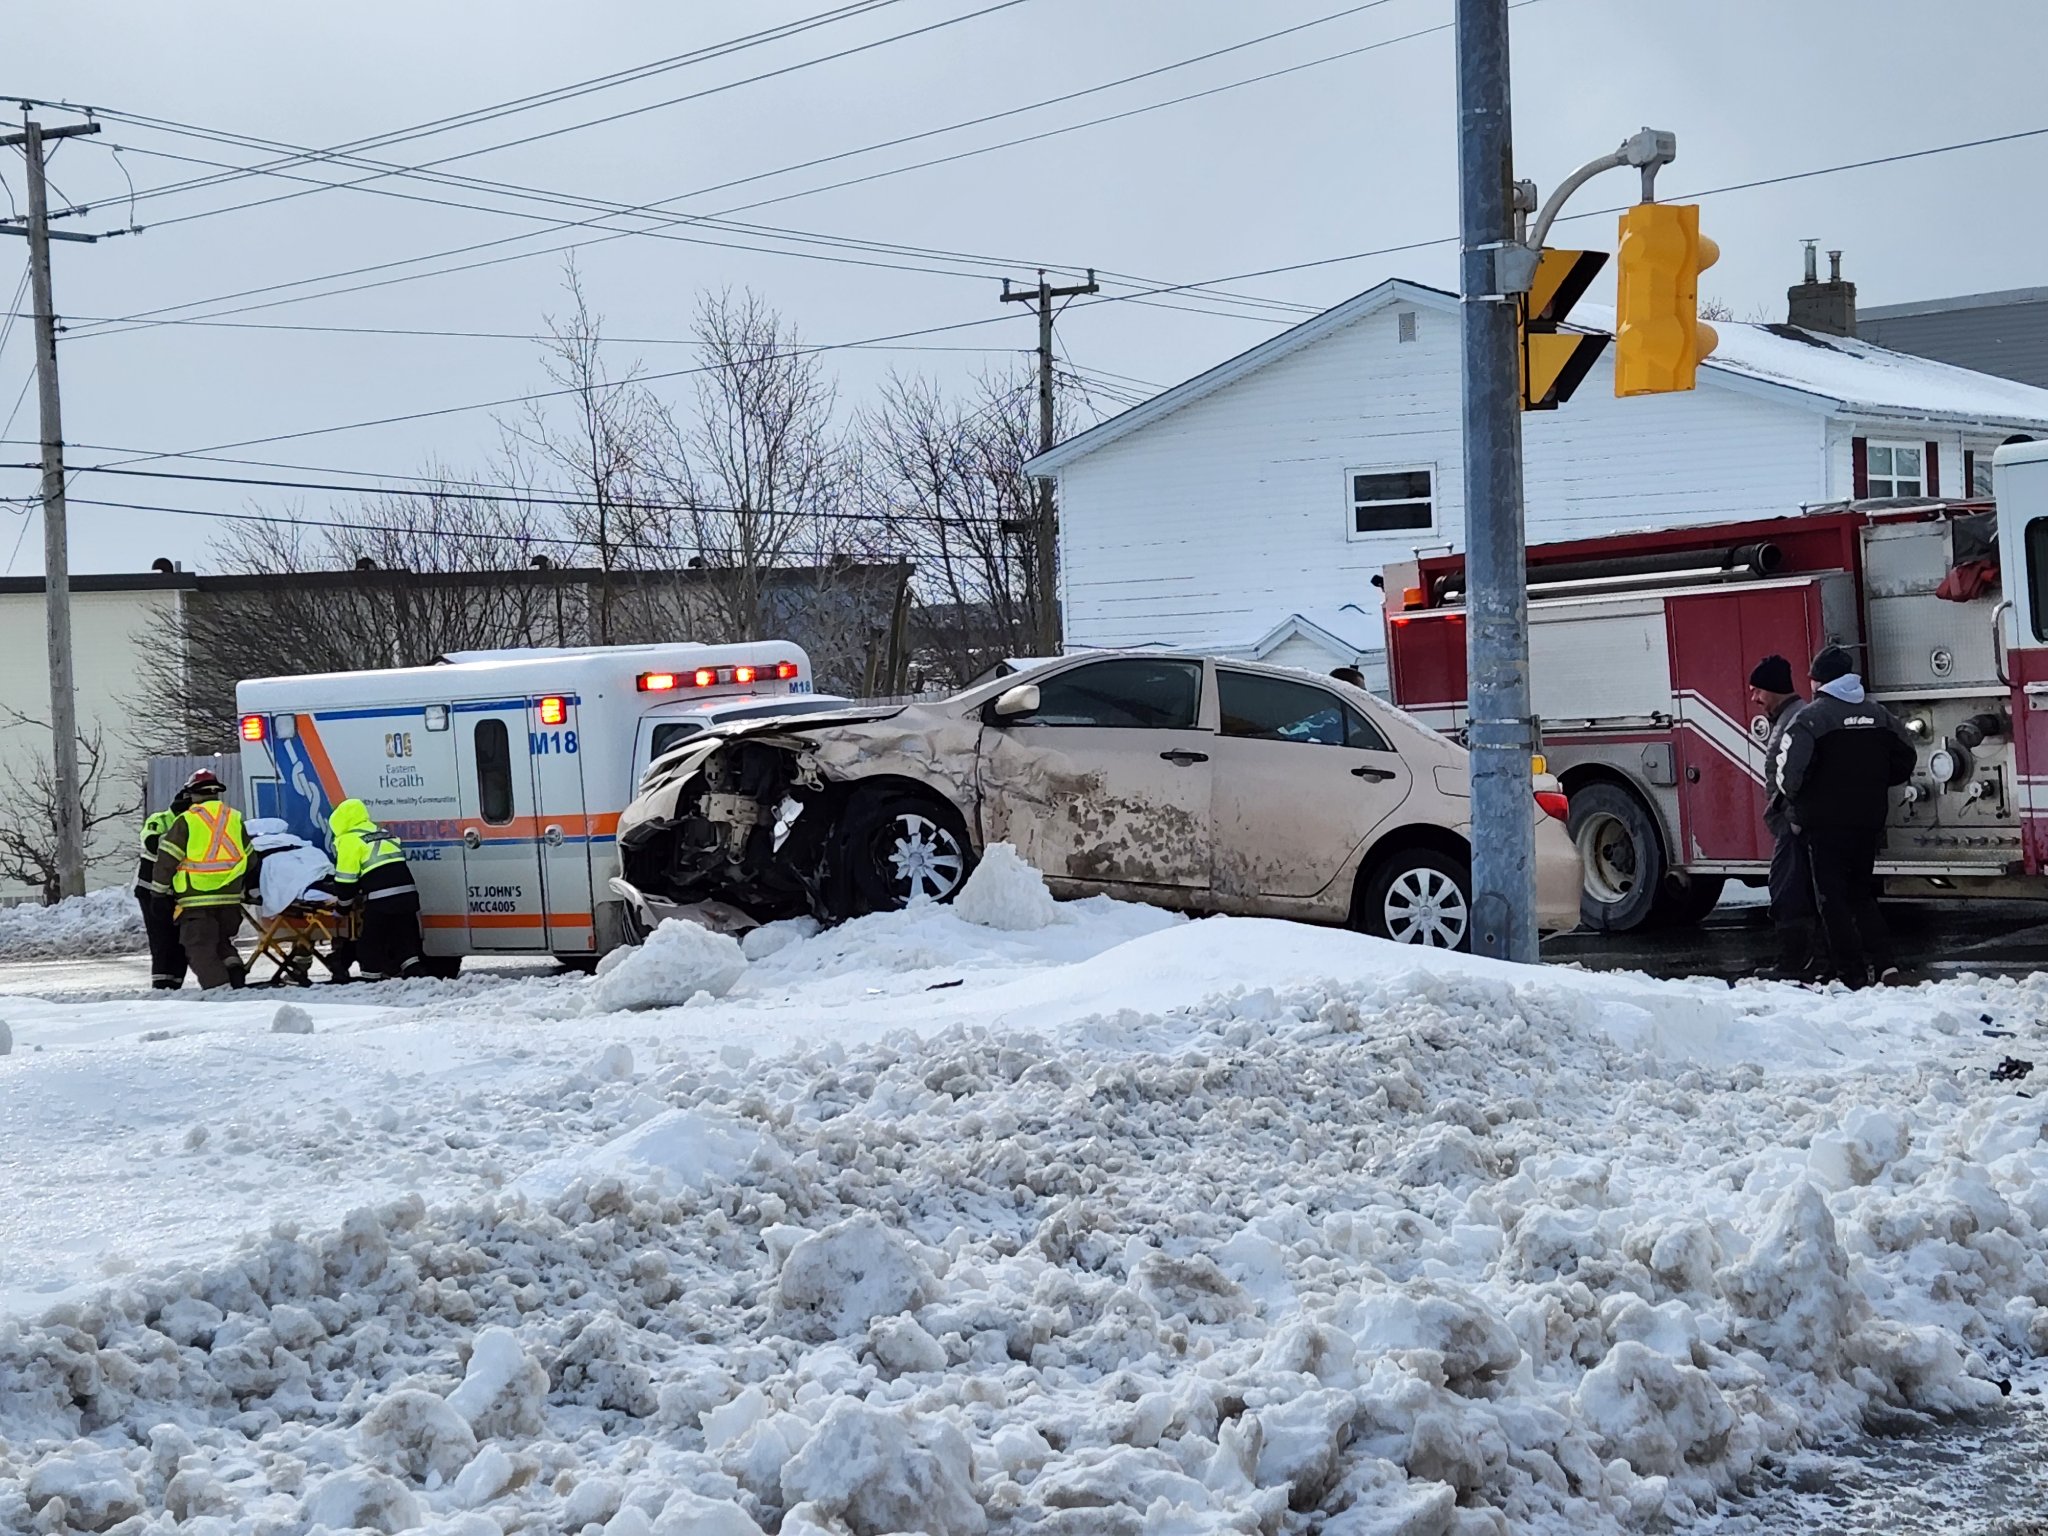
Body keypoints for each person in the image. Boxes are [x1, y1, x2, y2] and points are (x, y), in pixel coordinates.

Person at [1772, 644, 1918, 989]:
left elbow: (1788, 774)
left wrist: (1797, 800)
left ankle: (1851, 974)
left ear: (1818, 681)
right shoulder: (1878, 714)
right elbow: (1906, 757)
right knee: (1861, 894)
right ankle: (1885, 964)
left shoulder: (1810, 718)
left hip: (1823, 823)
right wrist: (1875, 782)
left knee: (1831, 899)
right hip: (1868, 820)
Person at [1748, 654, 1818, 981]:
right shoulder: (1792, 716)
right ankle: (1804, 959)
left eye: (1757, 690)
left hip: (1795, 823)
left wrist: (1790, 818)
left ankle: (1794, 962)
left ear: (1775, 689)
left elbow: (1792, 776)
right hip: (1795, 820)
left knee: (1787, 890)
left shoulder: (1795, 720)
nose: (1754, 698)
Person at [150, 770, 250, 990]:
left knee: (199, 947)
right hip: (230, 898)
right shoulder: (233, 817)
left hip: (196, 898)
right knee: (222, 941)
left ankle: (220, 988)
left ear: (191, 793)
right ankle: (234, 969)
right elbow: (250, 856)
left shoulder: (186, 820)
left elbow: (167, 859)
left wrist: (158, 893)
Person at [320, 799, 425, 982]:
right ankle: (416, 974)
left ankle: (371, 979)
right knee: (404, 937)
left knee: (371, 942)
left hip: (382, 898)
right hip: (408, 894)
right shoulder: (382, 833)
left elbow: (345, 882)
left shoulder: (348, 840)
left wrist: (342, 908)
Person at [133, 798, 189, 991]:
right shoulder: (159, 819)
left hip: (178, 891)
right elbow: (152, 844)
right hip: (151, 890)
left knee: (181, 940)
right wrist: (182, 835)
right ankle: (161, 985)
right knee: (161, 939)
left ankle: (175, 983)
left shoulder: (195, 824)